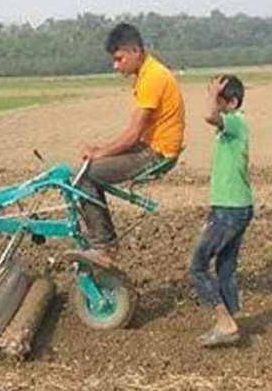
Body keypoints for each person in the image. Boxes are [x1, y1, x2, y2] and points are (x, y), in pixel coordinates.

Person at [69, 23, 185, 269]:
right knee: (83, 170)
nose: (115, 66)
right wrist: (100, 153)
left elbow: (133, 135)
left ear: (135, 51)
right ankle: (101, 243)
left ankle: (104, 247)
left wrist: (99, 153)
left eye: (119, 59)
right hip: (152, 146)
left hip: (156, 153)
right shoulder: (147, 73)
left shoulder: (152, 77)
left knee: (84, 177)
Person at [189, 75, 253, 347]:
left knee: (197, 265)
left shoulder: (236, 122)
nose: (215, 104)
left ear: (233, 102)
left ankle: (225, 323)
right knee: (225, 266)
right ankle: (229, 322)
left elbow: (208, 116)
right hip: (235, 207)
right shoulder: (230, 129)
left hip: (230, 209)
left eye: (220, 99)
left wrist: (211, 98)